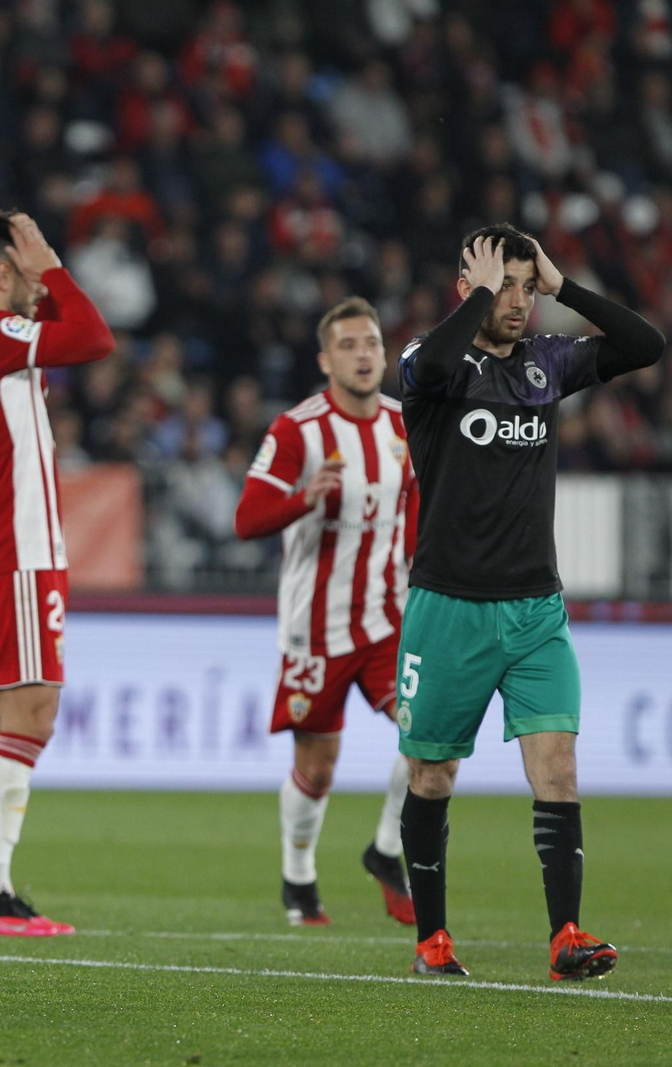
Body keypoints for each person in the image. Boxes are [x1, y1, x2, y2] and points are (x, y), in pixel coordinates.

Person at [395, 224, 664, 979]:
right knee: (432, 776)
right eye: (502, 286)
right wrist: (479, 293)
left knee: (559, 770)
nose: (518, 301)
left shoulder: (548, 362)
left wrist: (564, 284)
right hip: (449, 606)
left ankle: (565, 937)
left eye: (525, 286)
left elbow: (645, 345)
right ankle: (432, 940)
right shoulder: (431, 361)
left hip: (537, 609)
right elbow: (433, 365)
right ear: (468, 288)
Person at [0, 209, 114, 936]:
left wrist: (37, 278)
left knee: (2, 721)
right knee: (31, 717)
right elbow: (93, 338)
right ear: (3, 274)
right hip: (19, 547)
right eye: (28, 276)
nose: (40, 291)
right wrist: (56, 271)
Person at [234, 297, 418, 928]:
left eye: (371, 343)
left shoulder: (405, 424)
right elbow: (247, 519)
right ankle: (298, 876)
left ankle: (387, 849)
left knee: (432, 735)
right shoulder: (297, 430)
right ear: (325, 360)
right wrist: (304, 498)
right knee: (318, 766)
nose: (362, 355)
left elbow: (416, 505)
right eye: (348, 345)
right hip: (315, 628)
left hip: (389, 620)